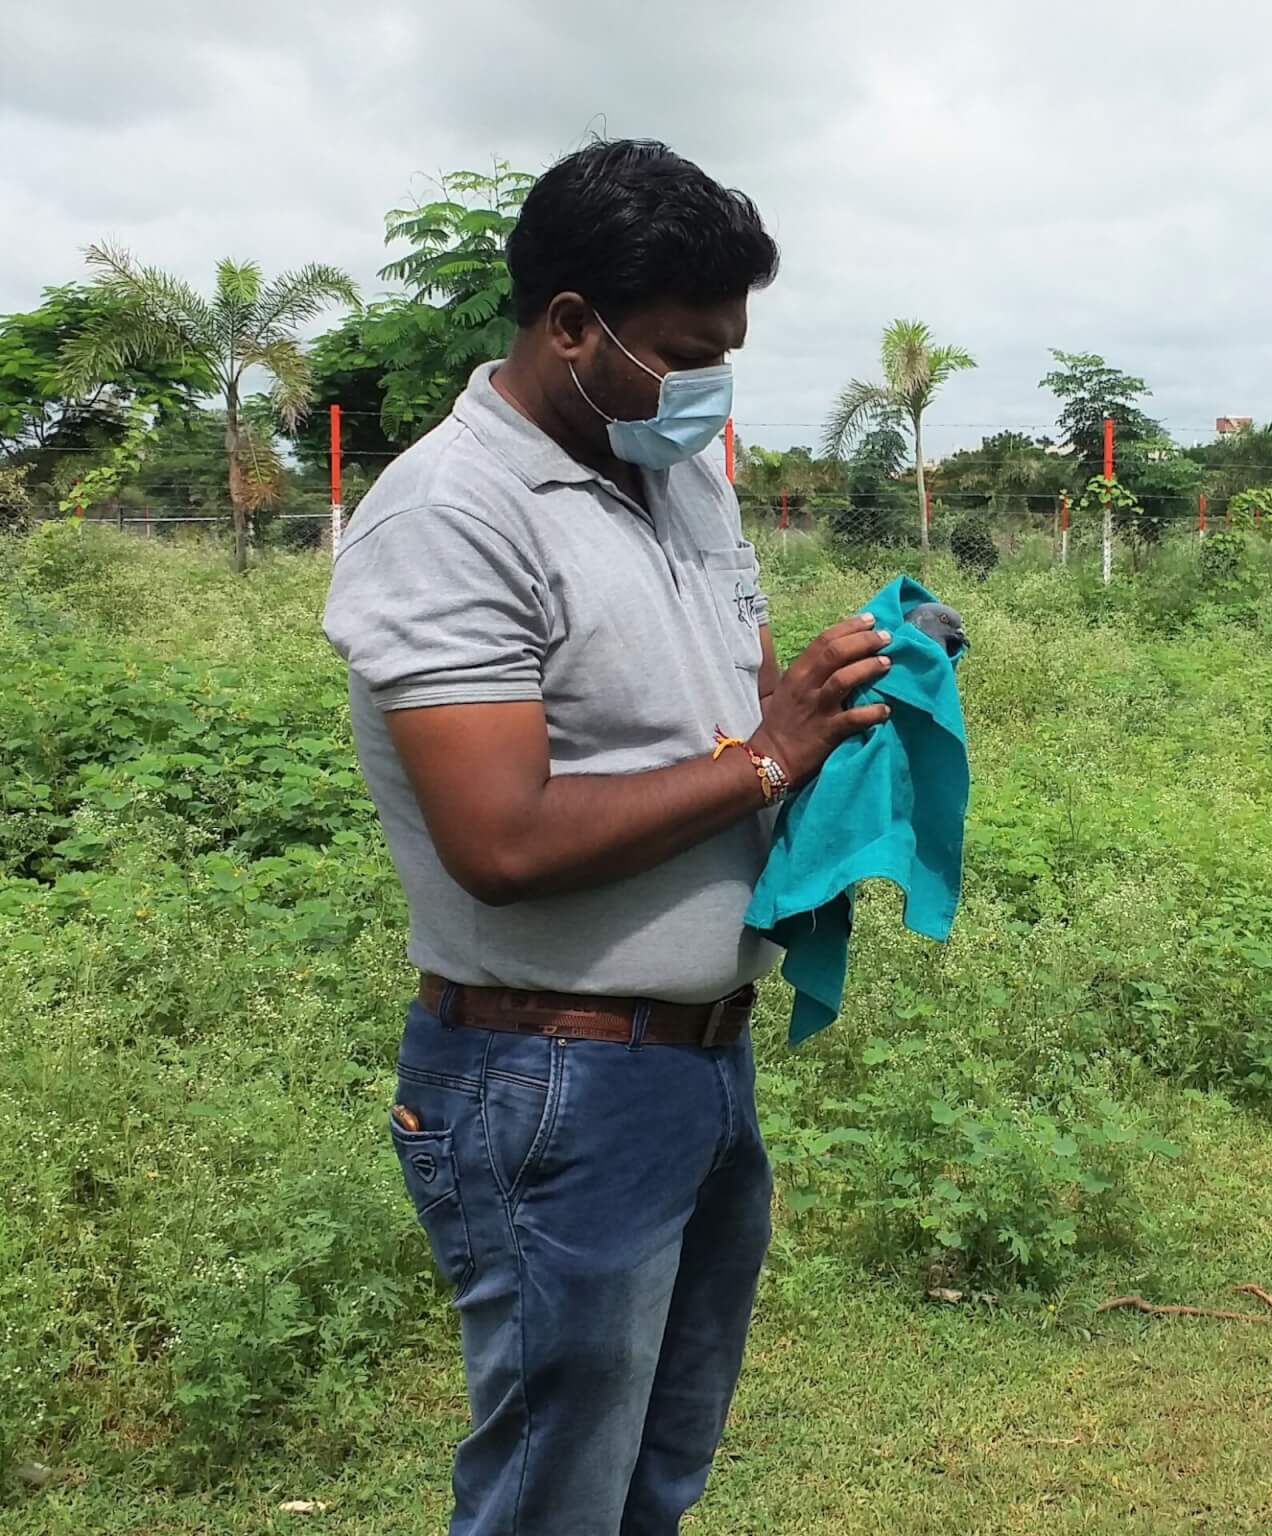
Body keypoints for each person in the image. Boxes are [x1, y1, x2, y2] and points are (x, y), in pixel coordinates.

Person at [323, 138, 891, 1535]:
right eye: (684, 352)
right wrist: (768, 755)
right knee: (552, 1497)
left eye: (728, 355)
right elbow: (501, 840)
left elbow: (733, 719)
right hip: (549, 1082)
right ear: (569, 325)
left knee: (657, 1474)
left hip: (698, 1071)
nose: (709, 388)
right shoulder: (451, 516)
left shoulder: (683, 481)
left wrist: (840, 692)